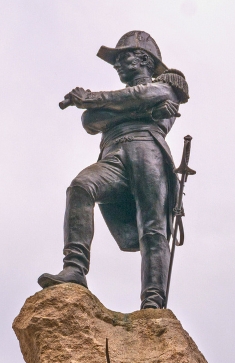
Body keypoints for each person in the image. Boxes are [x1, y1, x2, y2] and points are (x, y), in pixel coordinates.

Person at [38, 31, 189, 309]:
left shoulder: (166, 90)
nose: (117, 64)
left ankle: (153, 301)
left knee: (152, 229)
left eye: (123, 57)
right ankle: (75, 268)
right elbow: (90, 120)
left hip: (148, 153)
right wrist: (141, 110)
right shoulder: (138, 98)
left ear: (143, 58)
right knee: (81, 186)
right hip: (114, 154)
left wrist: (100, 100)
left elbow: (140, 95)